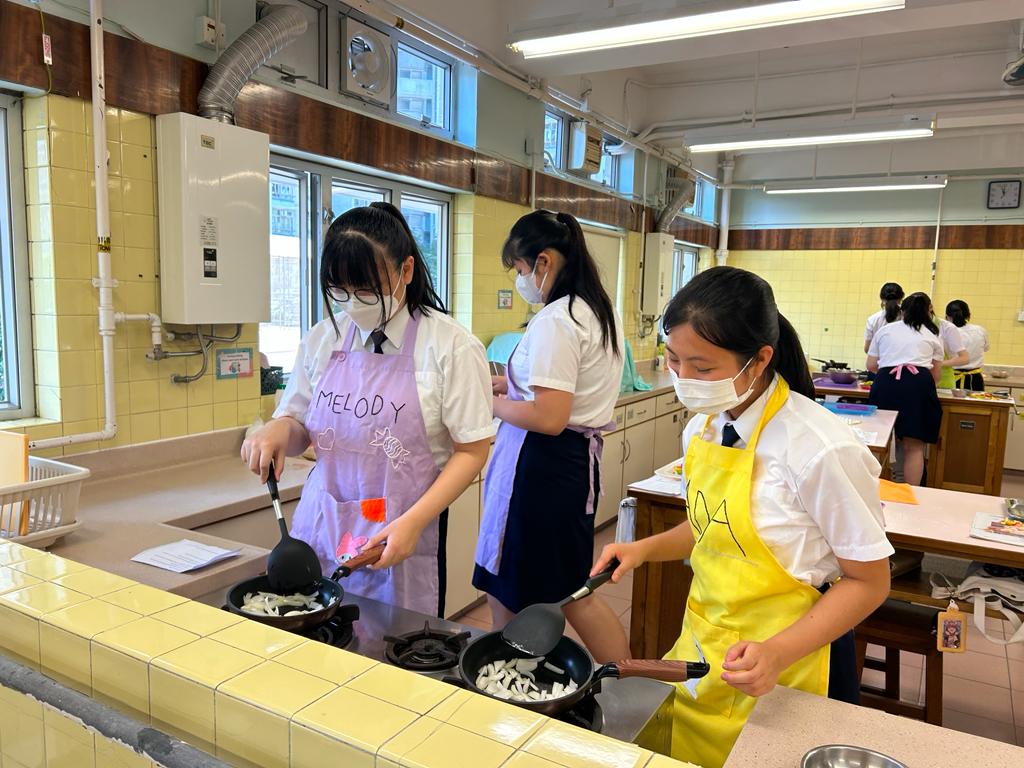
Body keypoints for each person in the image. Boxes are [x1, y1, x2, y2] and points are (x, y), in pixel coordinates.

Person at [591, 266, 892, 768]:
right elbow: (709, 526)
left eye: (702, 367)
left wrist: (776, 652)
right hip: (704, 649)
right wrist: (642, 549)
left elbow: (868, 581)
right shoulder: (703, 430)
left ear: (759, 360)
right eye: (673, 361)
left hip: (794, 662)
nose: (683, 379)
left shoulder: (817, 448)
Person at [242, 203, 494, 617]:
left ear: (406, 271)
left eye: (364, 290)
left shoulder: (451, 346)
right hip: (323, 525)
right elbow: (299, 425)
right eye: (338, 291)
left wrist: (414, 522)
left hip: (401, 533)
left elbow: (472, 450)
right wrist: (275, 431)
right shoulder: (324, 338)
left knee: (395, 655)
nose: (351, 304)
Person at [474, 209, 629, 663]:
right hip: (568, 465)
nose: (521, 280)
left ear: (543, 262)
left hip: (542, 465)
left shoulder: (557, 319)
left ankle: (515, 676)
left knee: (557, 590)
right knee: (551, 586)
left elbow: (549, 416)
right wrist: (509, 385)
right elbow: (557, 390)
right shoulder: (595, 309)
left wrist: (488, 403)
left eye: (521, 270)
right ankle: (622, 681)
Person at [866, 292, 944, 486]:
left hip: (886, 382)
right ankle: (911, 494)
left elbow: (871, 365)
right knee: (914, 446)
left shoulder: (885, 330)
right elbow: (936, 375)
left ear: (902, 310)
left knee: (878, 441)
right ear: (929, 311)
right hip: (918, 385)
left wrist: (889, 373)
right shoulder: (931, 335)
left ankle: (872, 489)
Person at [945, 299, 989, 391]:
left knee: (951, 405)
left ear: (947, 317)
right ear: (969, 315)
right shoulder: (980, 330)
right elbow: (985, 348)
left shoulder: (945, 332)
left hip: (951, 378)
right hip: (975, 379)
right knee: (974, 405)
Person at [864, 282, 904, 353]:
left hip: (880, 362)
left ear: (882, 298)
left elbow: (867, 349)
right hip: (902, 362)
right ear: (901, 298)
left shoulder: (872, 319)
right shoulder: (907, 317)